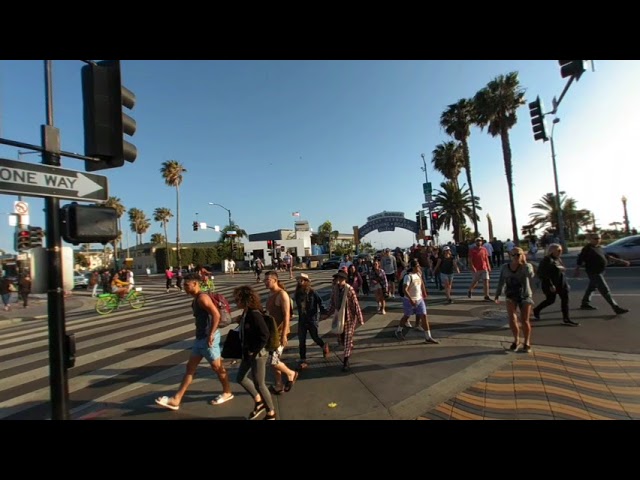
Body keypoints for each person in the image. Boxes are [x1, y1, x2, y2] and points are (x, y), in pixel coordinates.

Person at [155, 273, 234, 411]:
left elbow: (216, 314)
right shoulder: (196, 298)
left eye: (187, 285)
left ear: (195, 284)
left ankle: (227, 392)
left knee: (218, 368)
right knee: (190, 369)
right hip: (200, 339)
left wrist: (210, 335)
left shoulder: (202, 298)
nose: (184, 287)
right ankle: (176, 399)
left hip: (208, 338)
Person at [233, 285, 276, 420]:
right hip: (248, 352)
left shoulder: (254, 314)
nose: (235, 302)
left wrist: (254, 350)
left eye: (237, 299)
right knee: (241, 378)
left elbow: (265, 334)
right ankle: (259, 401)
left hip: (257, 355)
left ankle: (271, 413)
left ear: (245, 299)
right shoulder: (246, 313)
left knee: (260, 384)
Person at [574, 233, 630, 315]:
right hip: (594, 272)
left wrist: (621, 261)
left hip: (600, 271)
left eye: (599, 238)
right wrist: (577, 269)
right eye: (595, 238)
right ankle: (616, 308)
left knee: (592, 287)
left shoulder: (599, 247)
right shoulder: (587, 248)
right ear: (590, 239)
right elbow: (580, 259)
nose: (598, 240)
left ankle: (585, 303)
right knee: (605, 290)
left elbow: (607, 257)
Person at [494, 247, 536, 353]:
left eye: (518, 254)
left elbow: (530, 275)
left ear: (522, 255)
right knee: (512, 318)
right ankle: (516, 339)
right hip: (510, 295)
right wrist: (497, 294)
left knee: (524, 320)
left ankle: (527, 341)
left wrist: (525, 264)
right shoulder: (505, 267)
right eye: (514, 255)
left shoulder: (527, 266)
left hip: (525, 295)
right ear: (510, 256)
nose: (516, 257)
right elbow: (501, 281)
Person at [263, 270, 299, 395]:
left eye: (267, 280)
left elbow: (286, 316)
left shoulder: (282, 295)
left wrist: (284, 335)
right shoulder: (270, 294)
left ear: (275, 280)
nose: (265, 282)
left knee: (272, 360)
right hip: (271, 332)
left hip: (279, 333)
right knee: (274, 360)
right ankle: (279, 385)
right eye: (265, 280)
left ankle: (291, 373)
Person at [323, 270, 364, 372]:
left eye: (341, 279)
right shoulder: (335, 289)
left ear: (345, 280)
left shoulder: (349, 289)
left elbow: (355, 304)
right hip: (339, 316)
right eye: (338, 278)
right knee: (341, 338)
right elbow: (332, 302)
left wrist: (360, 318)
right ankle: (349, 346)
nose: (339, 280)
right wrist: (328, 314)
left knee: (347, 339)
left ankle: (345, 362)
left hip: (349, 317)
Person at [533, 244, 579, 326]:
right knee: (550, 300)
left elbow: (562, 272)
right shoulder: (547, 260)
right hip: (551, 285)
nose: (560, 252)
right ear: (552, 251)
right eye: (558, 250)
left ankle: (566, 318)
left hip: (561, 283)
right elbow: (542, 274)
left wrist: (566, 283)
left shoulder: (558, 259)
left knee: (565, 300)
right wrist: (551, 285)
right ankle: (536, 310)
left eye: (561, 250)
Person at [394, 259, 439, 343]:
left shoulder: (418, 274)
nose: (420, 267)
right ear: (414, 267)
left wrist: (424, 292)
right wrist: (411, 300)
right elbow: (404, 289)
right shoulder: (408, 276)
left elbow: (421, 283)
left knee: (424, 316)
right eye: (418, 266)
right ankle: (398, 331)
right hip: (409, 300)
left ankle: (428, 337)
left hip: (419, 299)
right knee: (406, 316)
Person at [294, 273, 330, 369]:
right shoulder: (297, 293)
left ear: (306, 281)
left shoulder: (312, 292)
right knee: (301, 340)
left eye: (302, 280)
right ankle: (303, 359)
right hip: (302, 319)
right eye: (299, 280)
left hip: (312, 318)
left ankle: (323, 345)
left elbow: (320, 302)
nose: (300, 281)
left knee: (315, 337)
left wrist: (324, 312)